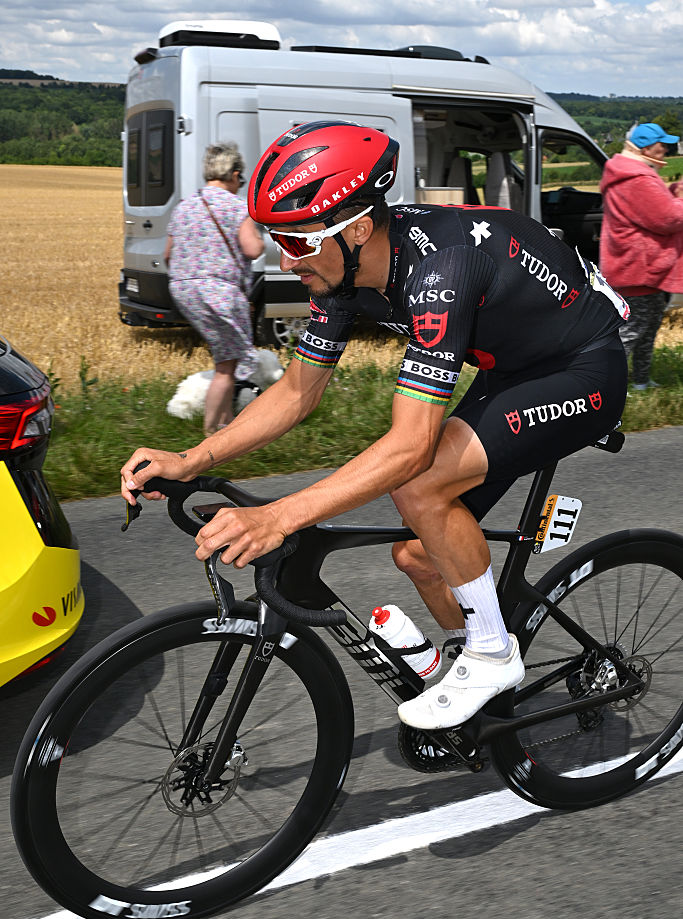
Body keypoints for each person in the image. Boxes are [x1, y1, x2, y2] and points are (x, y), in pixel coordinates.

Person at [122, 121, 628, 732]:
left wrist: (277, 516)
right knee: (418, 554)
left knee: (418, 484)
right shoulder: (341, 270)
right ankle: (480, 668)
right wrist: (192, 459)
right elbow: (296, 392)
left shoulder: (439, 273)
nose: (287, 259)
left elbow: (411, 448)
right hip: (512, 369)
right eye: (276, 239)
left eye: (298, 242)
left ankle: (492, 654)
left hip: (582, 369)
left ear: (358, 227)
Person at [164, 142, 265, 434]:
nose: (240, 184)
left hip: (183, 289)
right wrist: (259, 240)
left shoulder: (184, 206)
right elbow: (252, 249)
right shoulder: (236, 206)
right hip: (219, 291)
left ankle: (226, 422)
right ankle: (213, 433)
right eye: (241, 178)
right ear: (233, 175)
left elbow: (168, 254)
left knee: (224, 357)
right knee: (226, 367)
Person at [599, 122, 683, 391]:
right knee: (632, 333)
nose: (666, 149)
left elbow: (651, 209)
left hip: (640, 267)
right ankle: (606, 389)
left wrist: (672, 194)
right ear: (647, 147)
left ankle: (640, 382)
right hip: (640, 268)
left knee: (646, 330)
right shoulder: (638, 178)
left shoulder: (632, 173)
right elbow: (668, 219)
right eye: (662, 144)